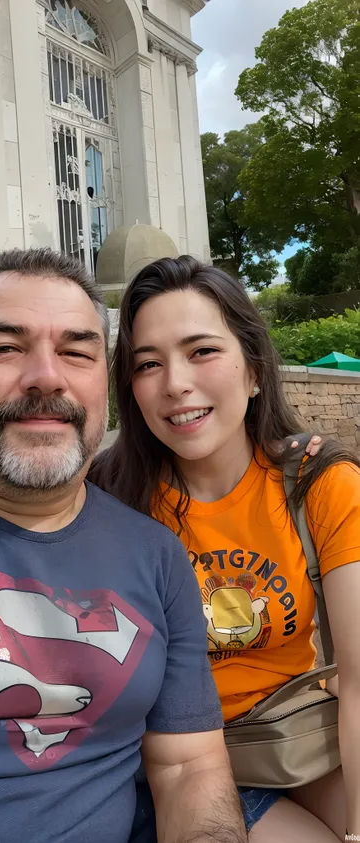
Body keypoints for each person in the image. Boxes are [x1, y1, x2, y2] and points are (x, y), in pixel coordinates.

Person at [0, 248, 249, 843]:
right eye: (6, 348)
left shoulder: (157, 555)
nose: (46, 377)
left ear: (103, 389)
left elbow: (189, 769)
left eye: (77, 352)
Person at [90, 255, 360, 842]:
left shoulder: (319, 485)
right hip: (183, 760)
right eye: (147, 364)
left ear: (255, 367)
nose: (175, 383)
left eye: (202, 351)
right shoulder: (107, 501)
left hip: (293, 739)